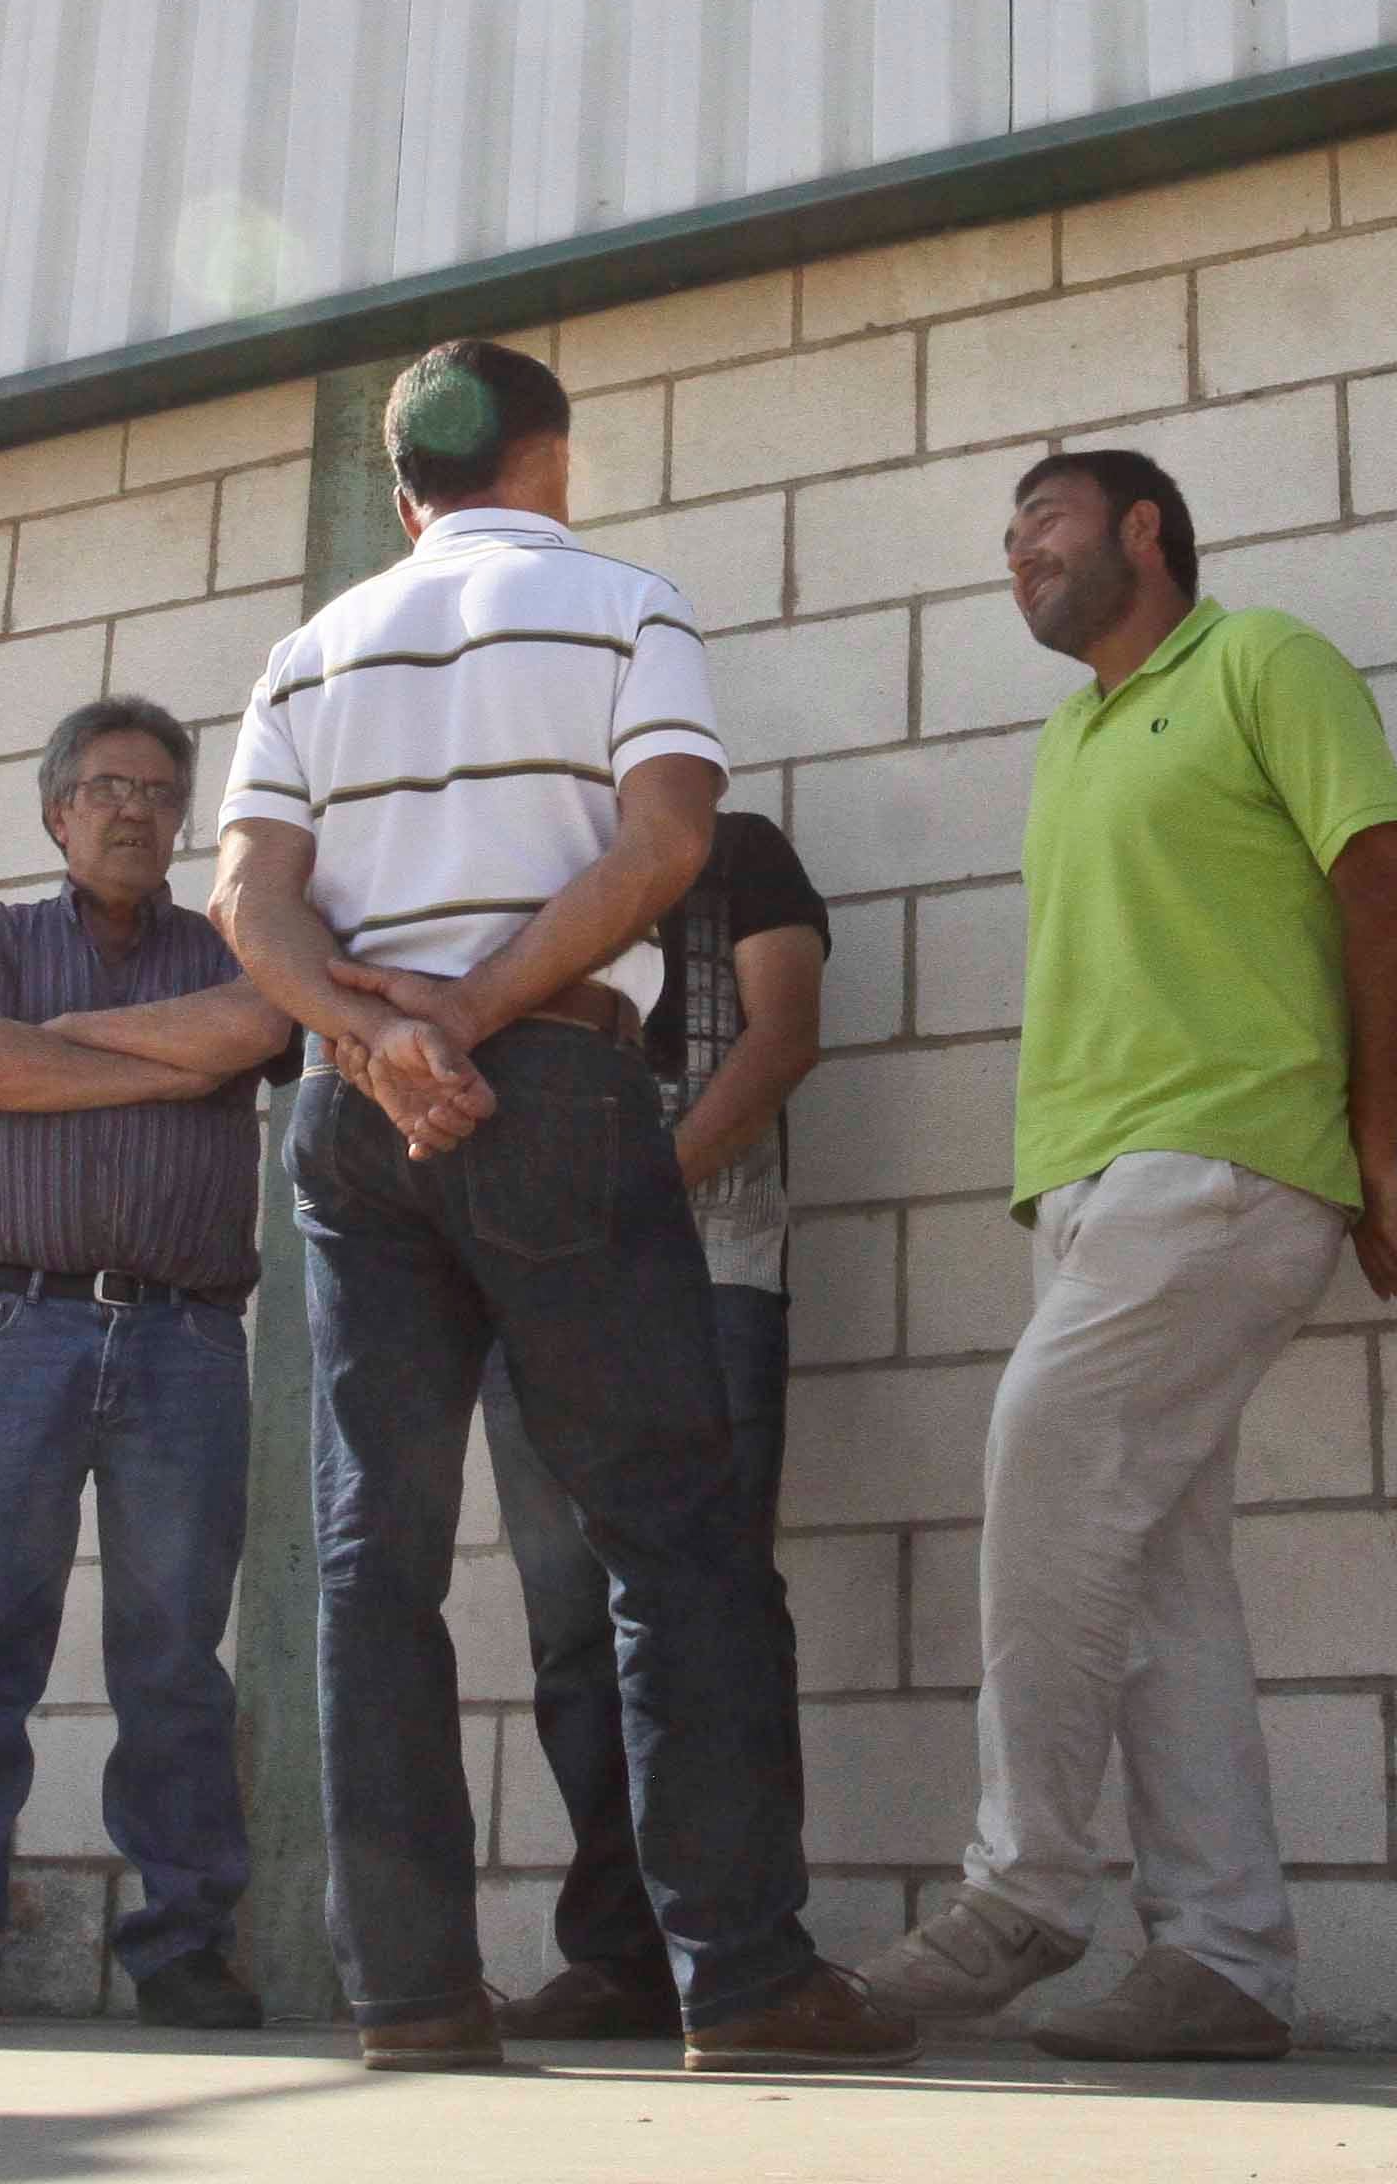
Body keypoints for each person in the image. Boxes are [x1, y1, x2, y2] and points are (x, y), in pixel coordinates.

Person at [214, 336, 910, 2074]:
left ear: (403, 492)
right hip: (555, 1092)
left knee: (374, 1552)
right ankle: (742, 1981)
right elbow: (667, 841)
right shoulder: (623, 602)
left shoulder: (309, 647)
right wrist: (480, 1006)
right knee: (670, 1536)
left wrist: (381, 1028)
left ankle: (412, 1997)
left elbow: (246, 896)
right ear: (554, 458)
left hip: (353, 1119)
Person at [861, 447, 1397, 2063]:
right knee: (1161, 1575)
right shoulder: (1070, 734)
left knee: (1042, 1454)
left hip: (1230, 1161)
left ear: (1143, 528)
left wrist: (1373, 1141)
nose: (1014, 550)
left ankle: (1026, 1883)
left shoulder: (1262, 660)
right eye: (1002, 536)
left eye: (1040, 519)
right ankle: (1226, 1951)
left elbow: (1389, 888)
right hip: (1088, 1193)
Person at [0, 697, 300, 2032]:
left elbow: (251, 1037)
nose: (132, 811)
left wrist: (60, 1052)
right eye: (106, 788)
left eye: (160, 793)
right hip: (14, 1326)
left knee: (172, 1658)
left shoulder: (228, 942)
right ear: (57, 811)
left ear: (182, 820)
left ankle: (178, 1947)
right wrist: (158, 1062)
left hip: (183, 1336)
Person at [484, 809, 832, 2042]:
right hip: (533, 1286)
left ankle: (747, 1957)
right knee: (573, 1628)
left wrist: (635, 1190)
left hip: (713, 1270)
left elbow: (784, 1035)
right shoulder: (510, 865)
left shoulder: (740, 850)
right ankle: (622, 1955)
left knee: (715, 1606)